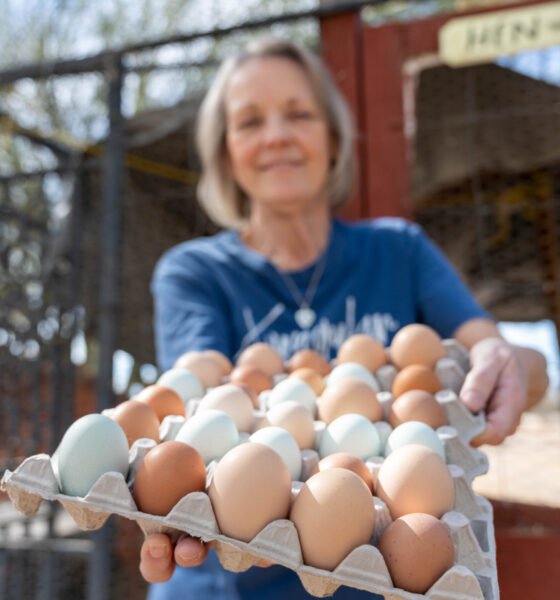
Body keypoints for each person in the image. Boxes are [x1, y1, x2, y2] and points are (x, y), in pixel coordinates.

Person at [139, 37, 549, 599]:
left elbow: (493, 350)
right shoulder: (197, 271)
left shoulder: (397, 252)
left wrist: (519, 364)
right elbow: (198, 381)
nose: (277, 134)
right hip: (221, 583)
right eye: (250, 121)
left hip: (378, 584)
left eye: (299, 113)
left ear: (332, 137)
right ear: (226, 152)